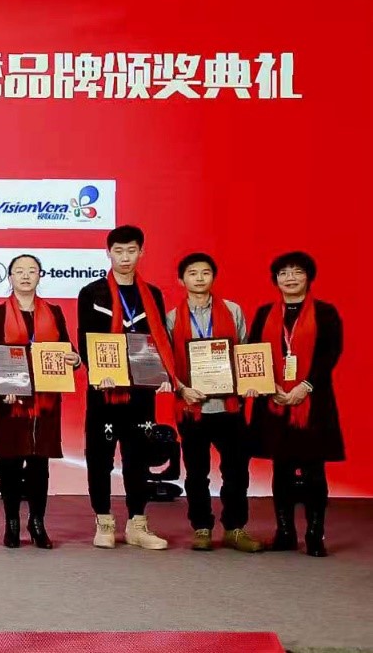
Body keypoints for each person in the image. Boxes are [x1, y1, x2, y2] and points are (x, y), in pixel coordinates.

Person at [76, 225, 174, 550]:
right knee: (100, 458)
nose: (125, 257)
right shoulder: (92, 293)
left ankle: (137, 523)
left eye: (131, 250)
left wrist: (162, 374)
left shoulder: (152, 294)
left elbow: (158, 339)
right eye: (118, 251)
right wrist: (97, 371)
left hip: (141, 391)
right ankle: (104, 521)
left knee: (138, 456)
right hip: (104, 390)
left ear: (141, 252)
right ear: (108, 253)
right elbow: (86, 339)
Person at [247, 252, 343, 557]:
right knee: (282, 469)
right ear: (275, 279)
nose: (290, 278)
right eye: (283, 273)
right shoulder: (264, 313)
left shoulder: (326, 313)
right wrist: (268, 385)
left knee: (314, 471)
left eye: (297, 272)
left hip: (312, 402)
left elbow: (330, 353)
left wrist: (306, 386)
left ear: (308, 277)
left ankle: (315, 534)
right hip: (274, 401)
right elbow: (253, 351)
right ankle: (285, 532)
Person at [164, 253, 262, 553]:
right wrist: (182, 389)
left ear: (213, 277)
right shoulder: (172, 318)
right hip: (192, 408)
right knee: (196, 473)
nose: (199, 278)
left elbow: (244, 351)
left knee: (236, 471)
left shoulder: (232, 310)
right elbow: (167, 363)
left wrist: (251, 382)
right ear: (181, 280)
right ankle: (202, 527)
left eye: (205, 272)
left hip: (229, 407)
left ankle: (235, 528)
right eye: (192, 273)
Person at [0, 254, 81, 549]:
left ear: (40, 276)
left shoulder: (53, 311)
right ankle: (12, 522)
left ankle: (37, 522)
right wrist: (3, 389)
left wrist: (76, 359)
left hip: (46, 399)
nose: (26, 276)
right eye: (19, 271)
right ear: (10, 277)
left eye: (32, 271)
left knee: (40, 464)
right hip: (12, 399)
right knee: (11, 463)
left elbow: (67, 348)